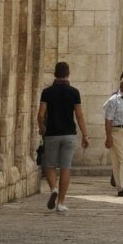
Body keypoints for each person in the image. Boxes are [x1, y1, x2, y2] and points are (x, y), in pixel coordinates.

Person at [37, 61, 89, 215]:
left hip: (52, 133)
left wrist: (42, 128)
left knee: (50, 166)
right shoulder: (74, 92)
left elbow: (40, 114)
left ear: (55, 74)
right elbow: (79, 115)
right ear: (68, 74)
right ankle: (61, 203)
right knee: (65, 168)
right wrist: (85, 135)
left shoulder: (47, 92)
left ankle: (53, 189)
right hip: (69, 134)